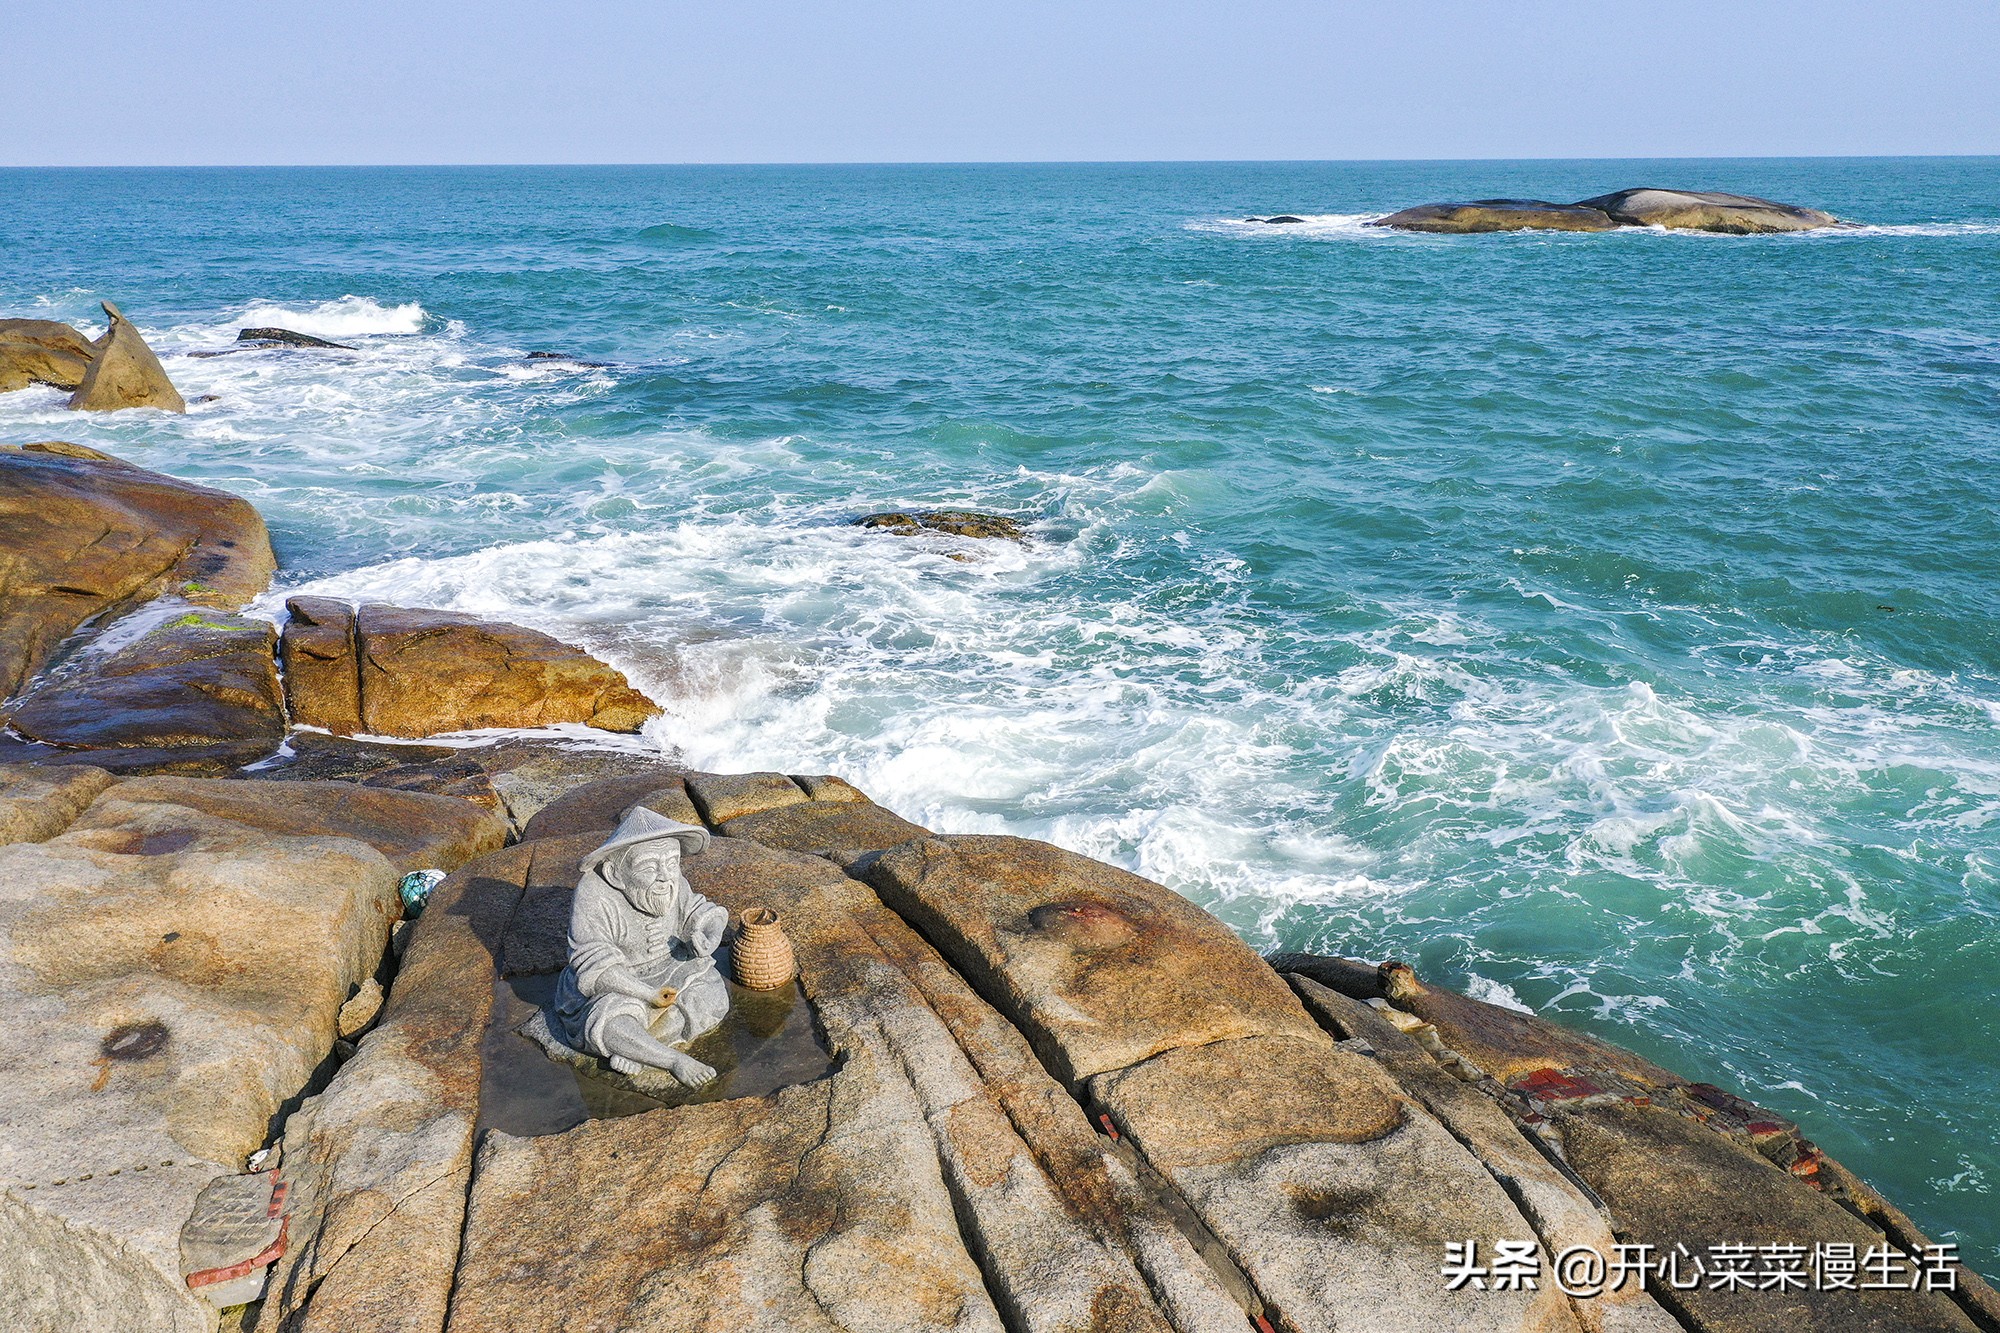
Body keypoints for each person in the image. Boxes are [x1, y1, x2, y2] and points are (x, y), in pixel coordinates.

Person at [550, 804, 730, 1088]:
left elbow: (699, 912)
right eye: (648, 866)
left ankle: (636, 1045)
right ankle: (672, 1060)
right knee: (608, 1019)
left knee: (710, 995)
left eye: (672, 863)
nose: (664, 876)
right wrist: (648, 994)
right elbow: (595, 966)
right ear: (615, 874)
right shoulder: (593, 893)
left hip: (671, 967)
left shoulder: (672, 879)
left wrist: (710, 934)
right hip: (619, 985)